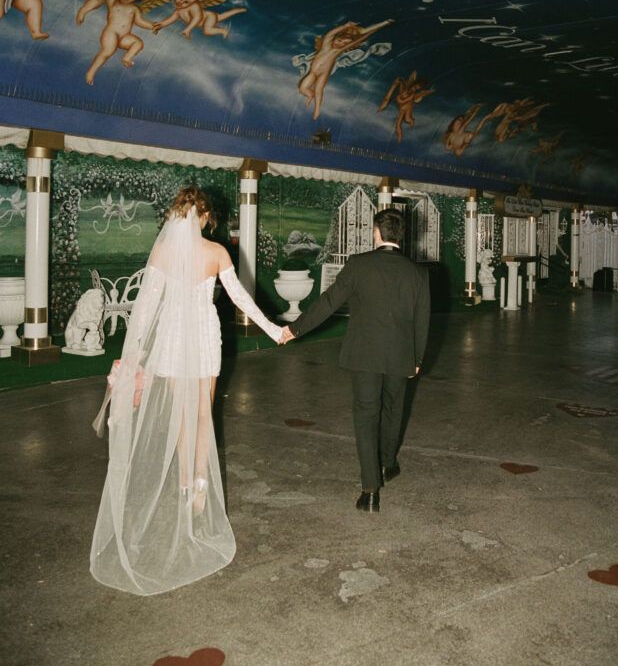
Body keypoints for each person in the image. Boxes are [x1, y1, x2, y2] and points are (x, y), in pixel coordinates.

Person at [90, 185, 284, 595]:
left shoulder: (161, 254)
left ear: (177, 217)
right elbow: (241, 300)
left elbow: (144, 312)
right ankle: (199, 485)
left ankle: (183, 484)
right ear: (205, 217)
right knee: (202, 414)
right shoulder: (216, 253)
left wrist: (134, 353)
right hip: (204, 336)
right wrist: (273, 329)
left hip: (175, 338)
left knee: (182, 412)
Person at [281, 208, 430, 513]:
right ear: (401, 236)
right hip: (401, 354)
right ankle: (389, 464)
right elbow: (422, 320)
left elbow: (329, 302)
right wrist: (417, 358)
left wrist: (294, 329)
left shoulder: (359, 265)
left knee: (366, 416)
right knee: (393, 411)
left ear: (377, 233)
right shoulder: (417, 272)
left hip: (364, 354)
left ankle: (371, 489)